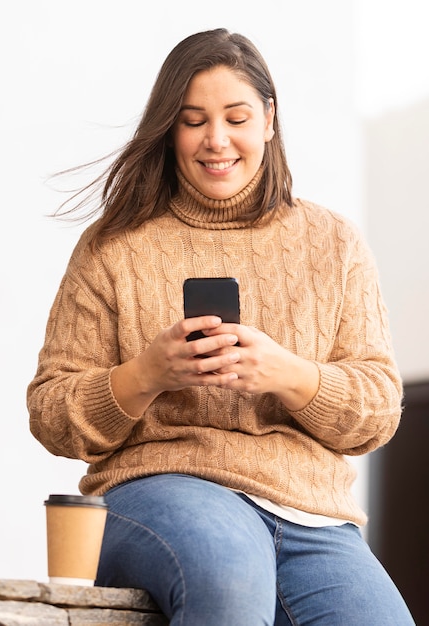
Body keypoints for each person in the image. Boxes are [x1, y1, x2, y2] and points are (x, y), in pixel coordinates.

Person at [27, 28, 415, 625]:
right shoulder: (114, 247)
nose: (216, 140)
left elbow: (378, 411)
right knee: (228, 577)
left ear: (269, 120)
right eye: (192, 120)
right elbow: (52, 414)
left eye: (236, 117)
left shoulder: (332, 243)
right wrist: (146, 375)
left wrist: (290, 375)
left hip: (310, 514)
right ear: (169, 129)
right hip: (160, 489)